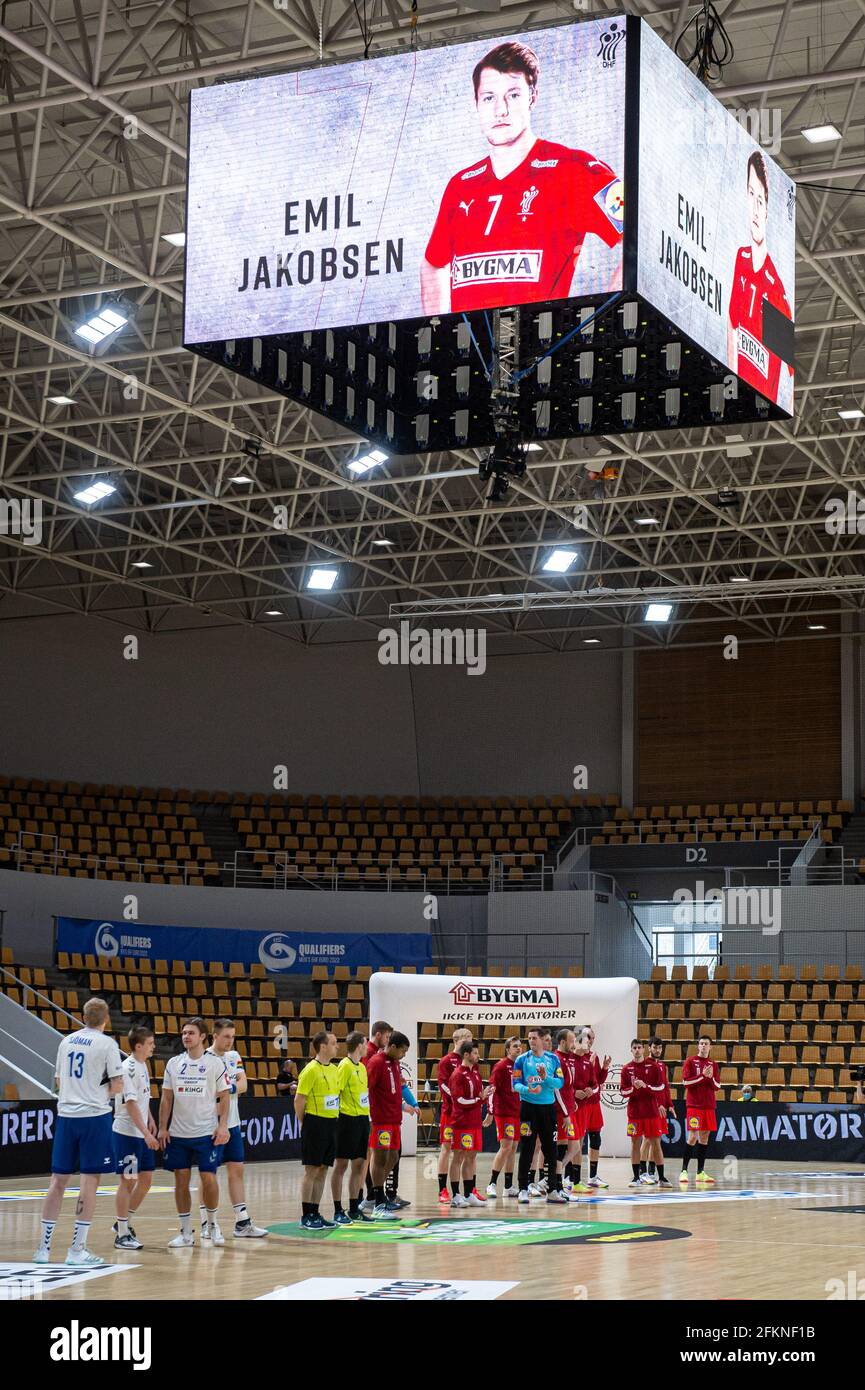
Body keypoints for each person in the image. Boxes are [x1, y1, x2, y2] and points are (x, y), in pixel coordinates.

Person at [420, 41, 623, 314]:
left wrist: (606, 316)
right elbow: (433, 263)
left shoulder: (571, 169)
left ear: (532, 97)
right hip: (477, 341)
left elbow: (637, 235)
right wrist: (441, 329)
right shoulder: (461, 186)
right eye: (489, 98)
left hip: (538, 338)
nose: (500, 110)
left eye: (513, 95)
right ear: (476, 103)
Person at [34, 996, 124, 1266]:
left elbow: (58, 1081)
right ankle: (76, 1250)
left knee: (57, 1181)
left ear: (84, 1017)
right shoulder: (107, 1044)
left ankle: (43, 1249)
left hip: (66, 1116)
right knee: (89, 1181)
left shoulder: (67, 1041)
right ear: (106, 1019)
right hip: (94, 1117)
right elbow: (117, 1086)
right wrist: (96, 1092)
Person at [726, 150, 793, 409]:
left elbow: (791, 373)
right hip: (739, 405)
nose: (754, 209)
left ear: (767, 210)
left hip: (761, 412)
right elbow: (733, 323)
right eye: (751, 194)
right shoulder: (741, 259)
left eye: (761, 200)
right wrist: (731, 387)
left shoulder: (774, 289)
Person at [158, 1017, 231, 1248]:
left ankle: (212, 1224)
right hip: (178, 1134)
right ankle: (185, 1232)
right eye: (184, 1033)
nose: (186, 1036)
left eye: (191, 1033)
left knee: (209, 1178)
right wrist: (162, 1127)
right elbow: (166, 1098)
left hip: (206, 1133)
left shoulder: (214, 1064)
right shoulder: (174, 1063)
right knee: (181, 1181)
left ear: (202, 1037)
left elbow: (225, 1096)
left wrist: (222, 1125)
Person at [201, 1018, 267, 1239]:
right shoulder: (204, 1058)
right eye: (226, 1036)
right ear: (215, 1036)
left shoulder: (233, 1056)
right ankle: (206, 1223)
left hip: (233, 1124)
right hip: (210, 1126)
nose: (230, 1041)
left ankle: (242, 1222)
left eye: (232, 1036)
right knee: (208, 1175)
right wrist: (229, 1087)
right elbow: (209, 1092)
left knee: (237, 1170)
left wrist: (225, 1088)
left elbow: (244, 1085)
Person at [112, 1024, 160, 1251]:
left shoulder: (142, 1064)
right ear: (138, 1046)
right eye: (150, 1043)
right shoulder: (128, 1069)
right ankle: (122, 1234)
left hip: (140, 1132)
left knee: (146, 1180)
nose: (153, 1047)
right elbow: (130, 1104)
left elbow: (141, 1099)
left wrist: (150, 1117)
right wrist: (147, 1134)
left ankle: (122, 1222)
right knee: (128, 1180)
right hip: (128, 1135)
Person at [367, 1031, 418, 1219]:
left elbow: (398, 1088)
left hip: (394, 1119)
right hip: (381, 1119)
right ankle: (378, 1203)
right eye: (402, 1051)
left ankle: (376, 1196)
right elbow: (366, 1088)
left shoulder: (395, 1063)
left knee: (394, 1156)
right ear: (393, 1047)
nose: (403, 1055)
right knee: (379, 1158)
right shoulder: (376, 1062)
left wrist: (408, 1105)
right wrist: (369, 1115)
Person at [293, 1029, 341, 1229]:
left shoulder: (334, 1069)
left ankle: (315, 1211)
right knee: (311, 1170)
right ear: (323, 1046)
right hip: (314, 1122)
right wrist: (304, 1122)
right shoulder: (310, 1070)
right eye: (334, 1043)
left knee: (323, 1170)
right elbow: (299, 1100)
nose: (337, 1046)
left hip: (331, 1123)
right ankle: (306, 1215)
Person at [513, 1026, 565, 1203]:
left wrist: (545, 1078)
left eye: (534, 1038)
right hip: (528, 1109)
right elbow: (515, 1084)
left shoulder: (553, 1059)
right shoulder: (521, 1060)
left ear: (543, 1040)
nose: (531, 1041)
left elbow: (560, 1083)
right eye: (529, 1038)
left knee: (551, 1150)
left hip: (548, 1110)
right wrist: (527, 1089)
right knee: (527, 1148)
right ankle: (523, 1189)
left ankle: (552, 1190)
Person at [332, 1030, 372, 1224]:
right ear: (359, 1046)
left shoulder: (362, 1067)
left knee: (359, 1164)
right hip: (346, 1120)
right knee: (341, 1165)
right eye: (365, 1043)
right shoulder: (344, 1066)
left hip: (362, 1119)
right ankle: (337, 1209)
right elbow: (336, 1091)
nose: (367, 1047)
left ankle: (354, 1208)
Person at [448, 1040, 491, 1207]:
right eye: (475, 1053)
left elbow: (478, 1096)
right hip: (461, 1122)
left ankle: (468, 1194)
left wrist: (485, 1096)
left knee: (471, 1157)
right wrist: (479, 1099)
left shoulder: (476, 1072)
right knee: (458, 1157)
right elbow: (459, 1101)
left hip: (474, 1121)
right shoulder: (458, 1074)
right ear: (466, 1055)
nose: (478, 1056)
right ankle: (455, 1196)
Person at [619, 1039, 665, 1188]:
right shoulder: (626, 1069)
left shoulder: (654, 1067)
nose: (637, 1050)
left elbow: (661, 1087)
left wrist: (645, 1086)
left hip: (651, 1112)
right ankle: (636, 1177)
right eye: (635, 1048)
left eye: (639, 1047)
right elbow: (623, 1092)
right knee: (635, 1144)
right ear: (631, 1050)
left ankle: (662, 1177)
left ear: (644, 1050)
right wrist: (634, 1088)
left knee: (656, 1143)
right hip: (635, 1113)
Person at [436, 1026, 473, 1204]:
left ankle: (470, 1190)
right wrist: (457, 1097)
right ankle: (442, 1190)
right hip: (450, 1113)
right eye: (467, 1039)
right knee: (446, 1149)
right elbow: (442, 1084)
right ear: (456, 1040)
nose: (470, 1043)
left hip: (466, 1114)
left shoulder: (470, 1059)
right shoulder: (446, 1061)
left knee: (467, 1151)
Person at [680, 1035, 721, 1186]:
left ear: (710, 1047)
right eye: (701, 1043)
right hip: (694, 1106)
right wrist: (703, 1076)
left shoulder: (713, 1064)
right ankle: (684, 1171)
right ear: (698, 1046)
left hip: (708, 1106)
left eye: (706, 1044)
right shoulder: (690, 1061)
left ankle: (700, 1172)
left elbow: (717, 1086)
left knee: (704, 1138)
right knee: (692, 1137)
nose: (703, 1046)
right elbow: (686, 1082)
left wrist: (709, 1078)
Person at [485, 1035, 522, 1198]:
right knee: (506, 1147)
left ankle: (508, 1186)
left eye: (520, 1046)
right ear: (507, 1049)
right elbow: (491, 1089)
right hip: (504, 1112)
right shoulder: (501, 1066)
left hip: (516, 1112)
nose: (518, 1048)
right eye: (515, 1046)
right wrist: (490, 1112)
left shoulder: (520, 1066)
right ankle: (491, 1184)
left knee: (513, 1149)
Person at [361, 1021, 392, 1207]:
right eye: (387, 1036)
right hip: (370, 1111)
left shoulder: (378, 1053)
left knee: (376, 1154)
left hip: (374, 1111)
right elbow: (366, 1084)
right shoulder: (370, 1054)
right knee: (370, 1155)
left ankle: (373, 1194)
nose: (388, 1040)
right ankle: (370, 1195)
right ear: (378, 1034)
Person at [579, 1025, 611, 1188]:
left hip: (594, 1103)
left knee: (596, 1139)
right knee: (577, 1141)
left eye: (592, 1038)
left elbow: (598, 1081)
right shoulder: (576, 1056)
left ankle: (593, 1177)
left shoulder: (594, 1056)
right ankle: (571, 1178)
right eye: (587, 1037)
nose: (590, 1040)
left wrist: (604, 1068)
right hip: (582, 1105)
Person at [554, 1027, 580, 1198]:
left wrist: (573, 1102)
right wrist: (565, 1113)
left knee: (575, 1147)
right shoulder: (557, 1059)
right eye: (572, 1041)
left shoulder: (569, 1058)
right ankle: (557, 1186)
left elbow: (568, 1086)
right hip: (561, 1112)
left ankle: (555, 1176)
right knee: (561, 1149)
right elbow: (557, 1089)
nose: (574, 1044)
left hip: (569, 1109)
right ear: (563, 1042)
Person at [644, 1036, 673, 1188]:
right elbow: (646, 1089)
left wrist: (669, 1104)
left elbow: (665, 1086)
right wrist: (656, 1104)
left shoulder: (662, 1065)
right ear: (649, 1048)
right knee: (647, 1140)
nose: (657, 1050)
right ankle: (642, 1173)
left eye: (660, 1047)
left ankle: (650, 1172)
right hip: (650, 1107)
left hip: (661, 1108)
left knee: (656, 1140)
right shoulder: (645, 1064)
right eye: (655, 1047)